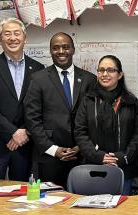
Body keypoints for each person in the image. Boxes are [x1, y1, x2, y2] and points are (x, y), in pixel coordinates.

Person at [24, 32, 96, 187]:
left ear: (73, 49)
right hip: (48, 157)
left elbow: (95, 119)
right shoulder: (38, 79)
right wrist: (53, 149)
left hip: (81, 156)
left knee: (79, 204)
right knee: (49, 208)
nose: (61, 51)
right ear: (50, 51)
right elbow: (32, 119)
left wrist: (81, 147)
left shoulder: (89, 79)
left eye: (66, 47)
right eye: (56, 48)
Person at [0, 17, 44, 181]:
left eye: (17, 33)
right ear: (0, 40)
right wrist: (12, 132)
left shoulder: (38, 68)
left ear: (25, 38)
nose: (12, 38)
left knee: (22, 199)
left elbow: (39, 107)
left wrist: (24, 132)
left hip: (24, 146)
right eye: (7, 34)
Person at [74, 55, 138, 195]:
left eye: (110, 70)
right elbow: (80, 132)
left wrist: (123, 157)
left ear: (120, 75)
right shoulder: (88, 100)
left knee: (120, 212)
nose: (105, 74)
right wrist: (98, 156)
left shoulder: (131, 101)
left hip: (124, 166)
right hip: (93, 166)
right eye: (101, 70)